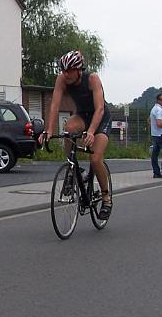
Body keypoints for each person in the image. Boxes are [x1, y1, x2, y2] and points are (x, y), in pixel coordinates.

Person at [38, 50, 113, 219]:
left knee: (95, 158)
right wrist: (49, 129)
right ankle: (73, 168)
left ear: (79, 69)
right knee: (68, 128)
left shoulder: (92, 79)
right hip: (83, 115)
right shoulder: (62, 79)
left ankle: (106, 198)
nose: (66, 74)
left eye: (70, 70)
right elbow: (55, 106)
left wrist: (92, 132)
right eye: (63, 70)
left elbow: (99, 109)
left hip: (101, 118)